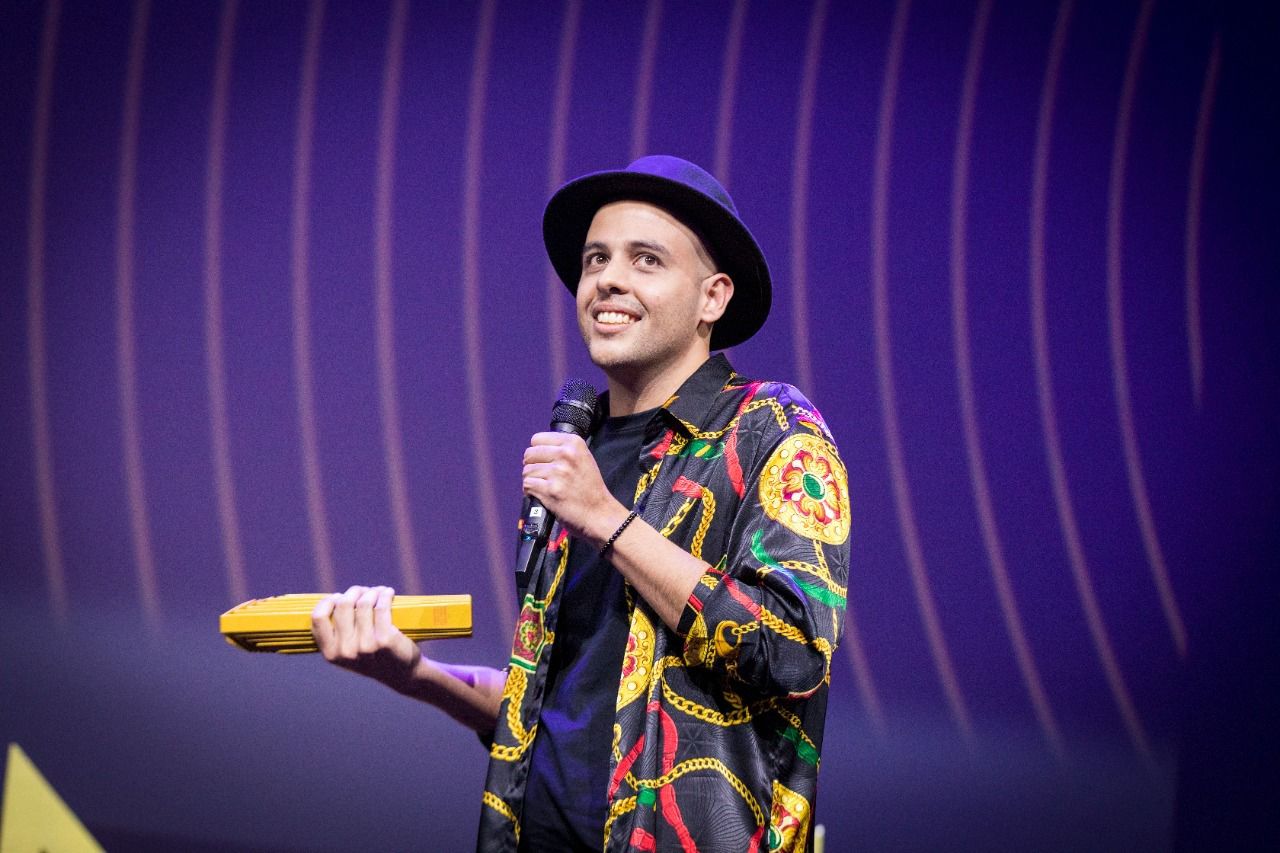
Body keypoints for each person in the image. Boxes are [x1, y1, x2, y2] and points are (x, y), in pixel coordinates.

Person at [312, 155, 851, 853]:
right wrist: (414, 674)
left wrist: (607, 519)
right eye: (596, 258)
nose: (607, 279)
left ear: (712, 298)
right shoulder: (579, 449)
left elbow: (793, 652)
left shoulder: (770, 429)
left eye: (646, 259)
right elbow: (553, 700)